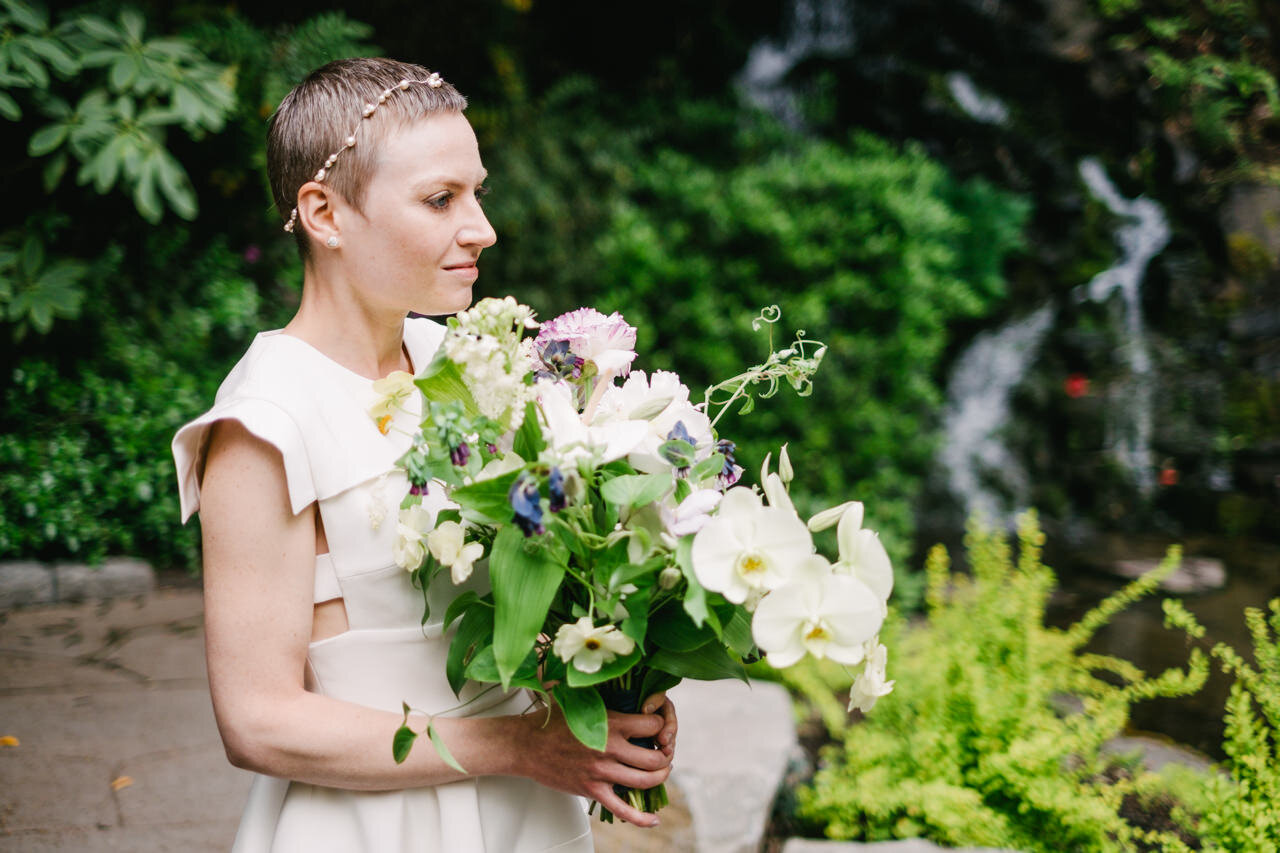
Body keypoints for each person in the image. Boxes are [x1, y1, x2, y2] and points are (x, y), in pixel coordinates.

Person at [171, 57, 677, 852]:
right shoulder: (264, 423)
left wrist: (605, 695)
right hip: (373, 824)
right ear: (324, 213)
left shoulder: (464, 362)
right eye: (441, 199)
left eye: (477, 192)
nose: (481, 227)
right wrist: (518, 747)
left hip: (521, 813)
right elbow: (258, 720)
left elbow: (508, 609)